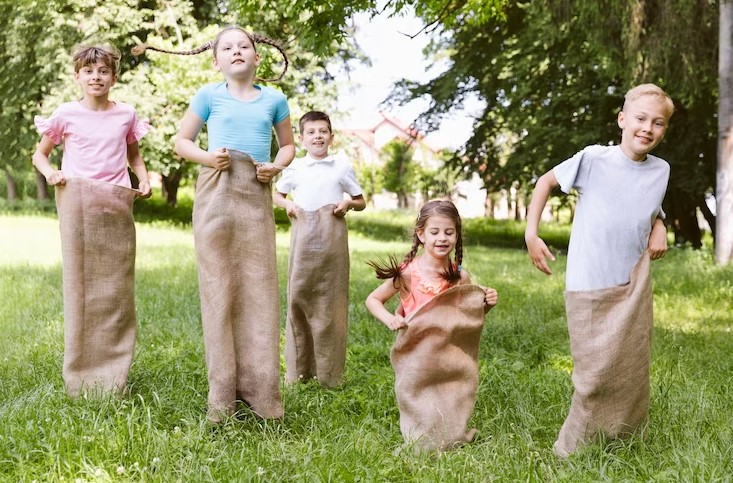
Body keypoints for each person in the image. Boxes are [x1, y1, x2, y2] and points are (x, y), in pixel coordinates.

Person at [134, 26, 295, 421]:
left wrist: (277, 165)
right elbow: (181, 142)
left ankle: (262, 395)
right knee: (218, 286)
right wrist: (208, 158)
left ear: (257, 58)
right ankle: (222, 396)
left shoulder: (275, 99)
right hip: (217, 192)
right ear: (216, 60)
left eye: (245, 46)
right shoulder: (209, 95)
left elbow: (288, 145)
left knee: (258, 288)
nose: (237, 51)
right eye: (228, 47)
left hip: (254, 196)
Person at [524, 83, 674, 457]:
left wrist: (661, 226)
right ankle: (573, 447)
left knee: (630, 363)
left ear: (664, 130)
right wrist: (531, 234)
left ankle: (622, 435)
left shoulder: (661, 170)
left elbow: (647, 206)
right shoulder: (594, 159)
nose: (647, 128)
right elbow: (545, 182)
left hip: (633, 281)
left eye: (658, 123)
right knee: (593, 370)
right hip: (589, 281)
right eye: (640, 118)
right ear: (622, 119)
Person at [31, 44, 152, 396]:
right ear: (77, 76)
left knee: (115, 287)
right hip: (77, 202)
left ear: (114, 77)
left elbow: (134, 155)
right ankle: (81, 374)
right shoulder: (65, 114)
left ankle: (114, 374)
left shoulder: (126, 114)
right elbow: (40, 154)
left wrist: (142, 179)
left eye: (102, 71)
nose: (96, 77)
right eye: (88, 71)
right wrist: (51, 173)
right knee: (81, 286)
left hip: (114, 202)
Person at [366, 199, 498, 451]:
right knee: (419, 397)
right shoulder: (408, 274)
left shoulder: (460, 276)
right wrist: (390, 318)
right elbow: (373, 299)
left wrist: (486, 305)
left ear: (457, 235)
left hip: (448, 353)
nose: (442, 238)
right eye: (434, 232)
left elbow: (465, 319)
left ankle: (451, 431)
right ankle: (420, 436)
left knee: (451, 394)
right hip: (416, 354)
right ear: (421, 234)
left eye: (449, 232)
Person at [273, 110, 366, 388]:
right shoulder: (296, 168)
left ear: (331, 137)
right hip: (304, 242)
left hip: (332, 242)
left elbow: (361, 201)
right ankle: (298, 371)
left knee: (330, 303)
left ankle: (329, 374)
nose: (318, 136)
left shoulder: (340, 166)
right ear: (301, 139)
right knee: (298, 297)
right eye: (311, 132)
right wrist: (288, 204)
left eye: (323, 131)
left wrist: (348, 204)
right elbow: (277, 194)